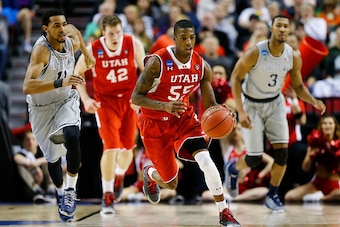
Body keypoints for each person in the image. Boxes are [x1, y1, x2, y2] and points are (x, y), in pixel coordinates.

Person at [131, 19, 240, 227]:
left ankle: (224, 211)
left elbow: (211, 106)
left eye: (191, 37)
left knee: (206, 160)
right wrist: (164, 106)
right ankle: (150, 173)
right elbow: (136, 98)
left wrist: (225, 114)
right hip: (154, 122)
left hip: (183, 118)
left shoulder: (201, 66)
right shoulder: (158, 62)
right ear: (174, 39)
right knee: (171, 183)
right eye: (183, 38)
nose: (188, 42)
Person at [228, 15, 326, 212]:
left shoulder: (293, 55)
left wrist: (313, 101)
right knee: (254, 158)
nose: (282, 29)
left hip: (275, 103)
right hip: (252, 104)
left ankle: (273, 194)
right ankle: (232, 169)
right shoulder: (256, 52)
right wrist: (240, 110)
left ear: (289, 31)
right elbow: (236, 78)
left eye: (285, 26)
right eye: (278, 26)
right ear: (271, 29)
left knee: (282, 154)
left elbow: (297, 86)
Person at [22, 9, 95, 222]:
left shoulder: (70, 35)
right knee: (52, 160)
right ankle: (61, 192)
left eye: (63, 24)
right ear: (45, 29)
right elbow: (27, 86)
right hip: (41, 109)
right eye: (56, 25)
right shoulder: (41, 51)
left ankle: (71, 191)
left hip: (65, 100)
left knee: (72, 135)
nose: (61, 28)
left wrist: (85, 49)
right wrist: (60, 82)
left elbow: (84, 51)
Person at [74, 14, 145, 215]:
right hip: (105, 103)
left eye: (118, 33)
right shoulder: (93, 49)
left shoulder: (133, 44)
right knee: (111, 148)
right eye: (111, 34)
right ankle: (107, 195)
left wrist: (141, 96)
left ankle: (120, 175)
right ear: (103, 34)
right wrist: (86, 100)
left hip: (129, 101)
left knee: (127, 151)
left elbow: (146, 71)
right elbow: (77, 74)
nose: (115, 37)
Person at [284, 114, 340, 202]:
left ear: (335, 126)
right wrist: (311, 155)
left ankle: (319, 198)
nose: (327, 126)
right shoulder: (314, 143)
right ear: (321, 126)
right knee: (289, 196)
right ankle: (323, 198)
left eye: (330, 123)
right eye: (324, 123)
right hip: (317, 183)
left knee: (337, 194)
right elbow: (305, 168)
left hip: (334, 182)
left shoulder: (339, 144)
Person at [13, 130, 57, 203]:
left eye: (33, 139)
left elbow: (50, 158)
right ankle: (37, 190)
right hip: (32, 186)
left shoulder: (42, 152)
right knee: (21, 165)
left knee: (47, 162)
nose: (30, 142)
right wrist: (34, 166)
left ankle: (51, 190)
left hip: (45, 182)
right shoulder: (21, 153)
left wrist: (36, 163)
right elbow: (16, 158)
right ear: (23, 142)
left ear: (37, 142)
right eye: (27, 139)